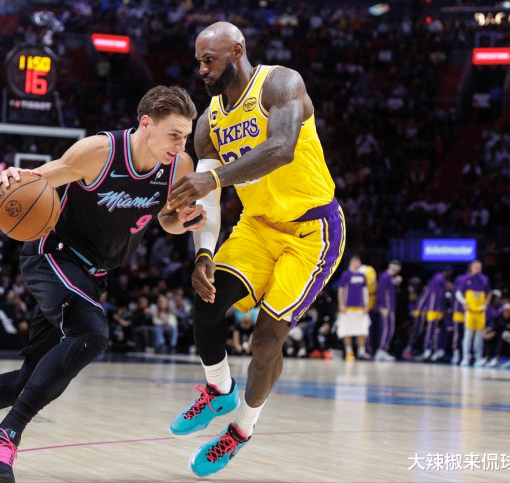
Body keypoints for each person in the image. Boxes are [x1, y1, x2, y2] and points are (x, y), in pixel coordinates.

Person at [0, 86, 206, 483]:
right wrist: (13, 176)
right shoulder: (100, 152)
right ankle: (4, 437)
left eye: (185, 136)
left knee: (28, 381)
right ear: (146, 124)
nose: (181, 144)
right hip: (53, 255)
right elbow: (40, 177)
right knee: (92, 335)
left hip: (92, 276)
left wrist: (183, 221)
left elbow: (166, 218)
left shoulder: (179, 165)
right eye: (174, 134)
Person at [165, 22, 345, 476]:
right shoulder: (208, 123)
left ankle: (240, 430)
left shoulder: (280, 83)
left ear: (237, 50)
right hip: (257, 227)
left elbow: (282, 148)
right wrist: (204, 253)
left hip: (311, 232)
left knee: (265, 338)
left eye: (209, 60)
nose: (202, 69)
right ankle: (218, 389)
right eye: (199, 62)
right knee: (206, 301)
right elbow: (207, 199)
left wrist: (213, 177)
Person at [336, 256, 372, 361]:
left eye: (358, 261)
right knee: (347, 330)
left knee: (362, 330)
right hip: (348, 308)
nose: (356, 263)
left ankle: (361, 352)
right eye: (354, 261)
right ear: (350, 263)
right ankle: (349, 352)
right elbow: (341, 290)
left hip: (360, 308)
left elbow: (365, 291)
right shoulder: (346, 274)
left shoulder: (362, 275)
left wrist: (366, 305)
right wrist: (341, 304)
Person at [458, 260, 491, 366]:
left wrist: (486, 304)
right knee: (468, 335)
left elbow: (489, 293)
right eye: (475, 267)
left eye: (479, 267)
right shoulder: (465, 279)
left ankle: (478, 357)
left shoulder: (485, 279)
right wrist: (464, 303)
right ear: (471, 268)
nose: (477, 268)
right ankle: (466, 358)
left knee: (479, 336)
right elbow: (458, 293)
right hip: (470, 311)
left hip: (480, 311)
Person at [374, 260, 401, 361]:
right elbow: (381, 292)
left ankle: (384, 349)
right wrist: (383, 307)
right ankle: (381, 350)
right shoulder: (385, 276)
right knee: (386, 329)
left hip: (390, 307)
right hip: (387, 308)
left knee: (389, 329)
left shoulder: (389, 277)